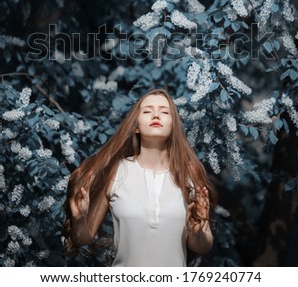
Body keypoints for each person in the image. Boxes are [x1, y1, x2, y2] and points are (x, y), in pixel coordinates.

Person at [64, 88, 217, 266]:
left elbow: (202, 246)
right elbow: (84, 237)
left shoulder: (189, 174)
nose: (156, 115)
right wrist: (79, 219)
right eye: (147, 111)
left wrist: (197, 233)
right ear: (136, 125)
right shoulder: (116, 172)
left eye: (165, 112)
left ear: (173, 125)